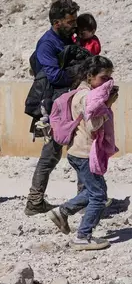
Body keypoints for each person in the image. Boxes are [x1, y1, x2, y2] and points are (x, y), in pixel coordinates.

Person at [48, 56, 116, 251]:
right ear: (90, 76)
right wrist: (108, 105)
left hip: (78, 151)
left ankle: (62, 212)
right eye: (104, 78)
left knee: (92, 190)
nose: (108, 82)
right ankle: (83, 237)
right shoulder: (87, 97)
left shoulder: (82, 93)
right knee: (99, 196)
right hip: (85, 153)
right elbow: (92, 125)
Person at [25, 0, 80, 216]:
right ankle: (34, 201)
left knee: (82, 150)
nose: (74, 24)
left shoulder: (69, 39)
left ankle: (86, 197)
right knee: (51, 154)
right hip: (55, 106)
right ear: (57, 23)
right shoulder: (47, 44)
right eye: (70, 21)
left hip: (72, 100)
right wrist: (80, 71)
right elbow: (54, 76)